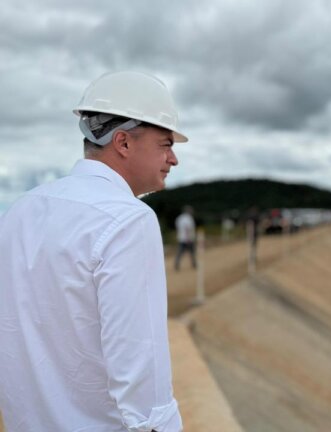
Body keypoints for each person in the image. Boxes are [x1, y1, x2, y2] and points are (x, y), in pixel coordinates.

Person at [0, 71, 186, 431]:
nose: (174, 158)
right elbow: (141, 384)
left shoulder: (20, 210)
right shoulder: (129, 221)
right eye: (166, 143)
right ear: (123, 142)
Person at [174, 205, 197, 271]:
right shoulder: (189, 218)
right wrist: (188, 238)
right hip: (188, 239)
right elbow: (187, 229)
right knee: (192, 252)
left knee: (180, 253)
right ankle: (194, 264)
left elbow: (177, 228)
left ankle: (177, 264)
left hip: (181, 238)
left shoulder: (179, 218)